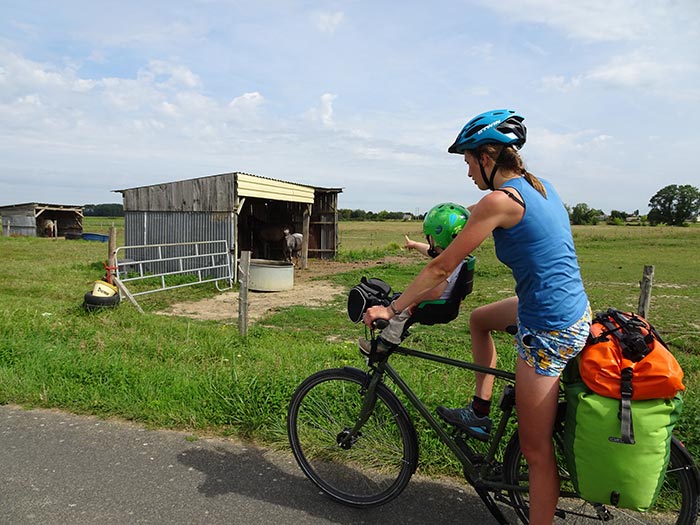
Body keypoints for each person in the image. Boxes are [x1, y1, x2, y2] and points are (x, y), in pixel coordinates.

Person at [363, 109, 590, 524]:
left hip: (549, 329)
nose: (467, 170)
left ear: (487, 157)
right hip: (568, 309)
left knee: (537, 452)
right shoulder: (537, 188)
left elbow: (440, 269)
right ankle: (479, 412)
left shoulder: (500, 201)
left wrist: (392, 308)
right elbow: (470, 214)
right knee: (480, 319)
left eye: (468, 161)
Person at [358, 202, 471, 355]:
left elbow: (436, 291)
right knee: (400, 300)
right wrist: (414, 244)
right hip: (444, 302)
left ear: (438, 236)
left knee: (401, 311)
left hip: (436, 304)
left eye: (430, 237)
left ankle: (384, 344)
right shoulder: (455, 255)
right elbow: (430, 251)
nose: (430, 242)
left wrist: (414, 300)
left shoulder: (448, 265)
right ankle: (397, 331)